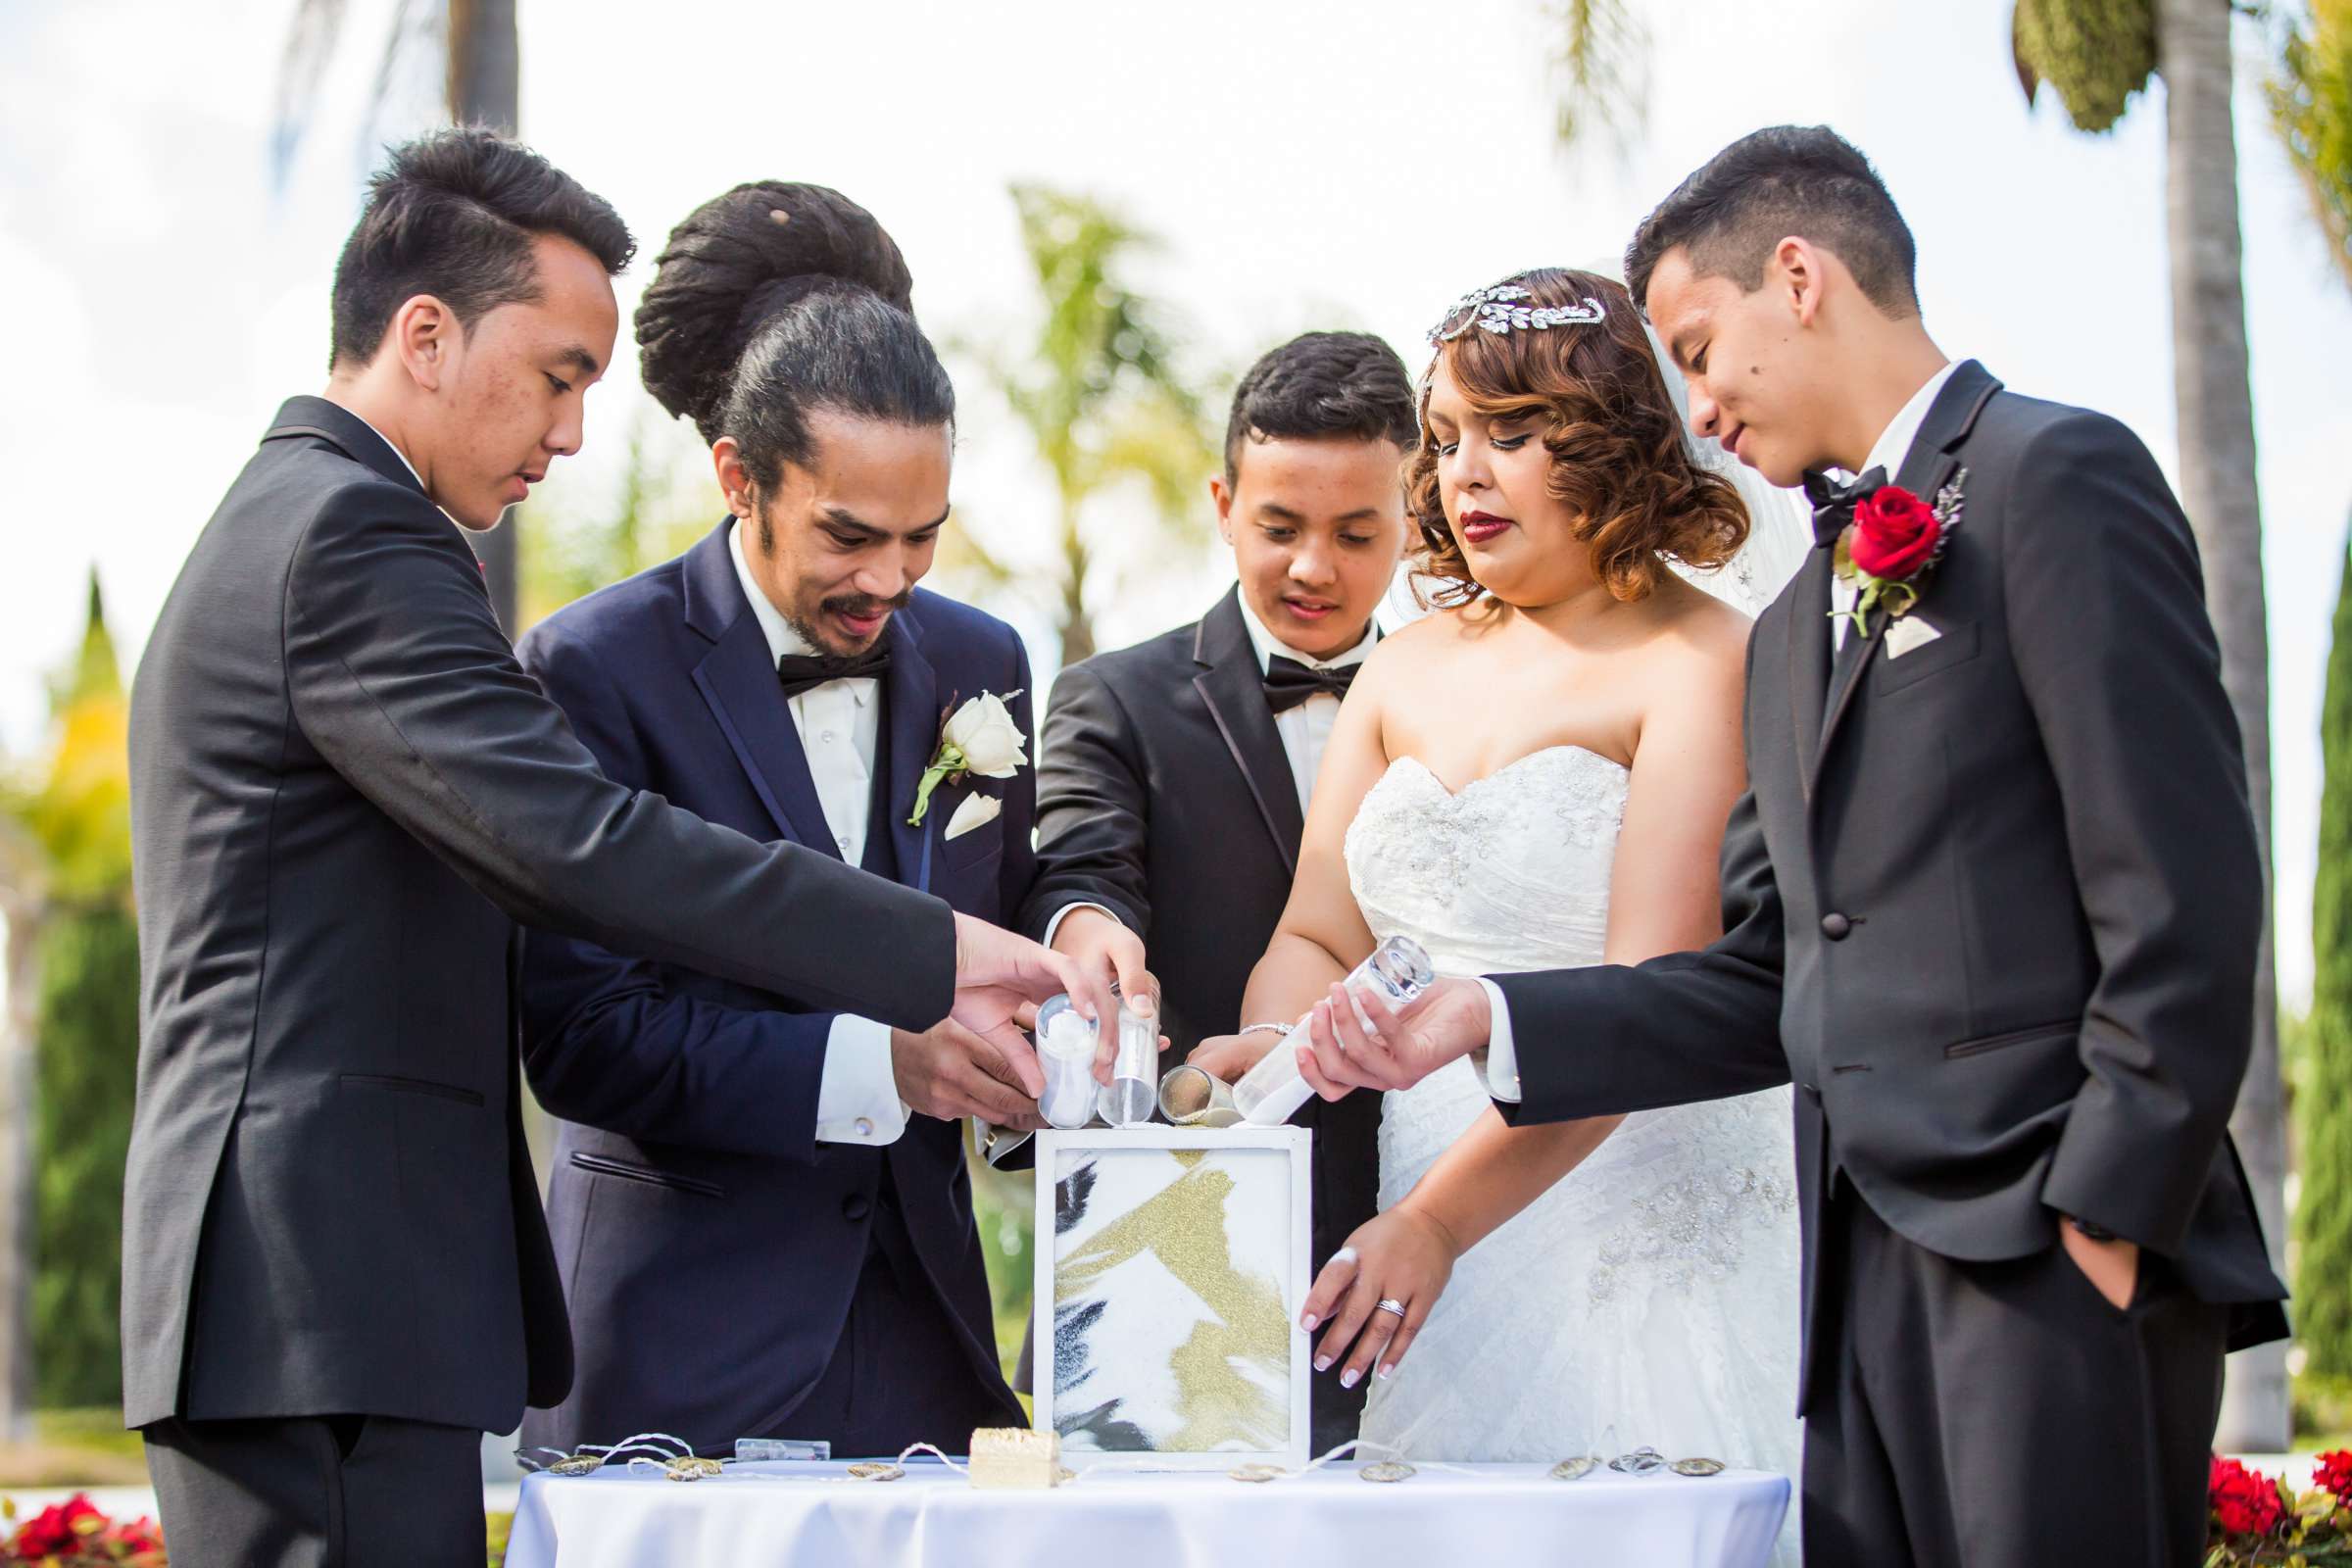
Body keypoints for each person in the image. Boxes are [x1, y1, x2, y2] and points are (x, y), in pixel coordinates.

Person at [1286, 127, 2289, 1568]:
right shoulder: (1801, 613)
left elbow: (2182, 887)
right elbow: (1762, 976)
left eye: (1699, 349)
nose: (1693, 406)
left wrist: (2106, 1220)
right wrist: (1493, 1014)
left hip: (2051, 1253)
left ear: (1800, 279)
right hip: (1851, 1280)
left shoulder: (2056, 476)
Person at [123, 132, 1084, 1564]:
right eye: (561, 375)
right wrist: (927, 955)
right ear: (428, 334)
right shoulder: (349, 541)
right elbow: (579, 844)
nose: (572, 432)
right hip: (314, 1287)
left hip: (341, 1299)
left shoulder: (313, 521)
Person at [1204, 273, 1805, 1542]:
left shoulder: (1701, 658)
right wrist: (1270, 1057)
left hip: (1625, 1219)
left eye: (1513, 436)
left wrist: (1436, 1222)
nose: (1464, 474)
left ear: (1611, 445)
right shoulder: (1402, 667)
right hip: (1418, 1236)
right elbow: (1319, 934)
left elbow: (1650, 1003)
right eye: (1447, 438)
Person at [516, 180, 1041, 1458]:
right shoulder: (594, 665)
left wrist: (1034, 1064)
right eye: (851, 537)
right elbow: (585, 1037)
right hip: (678, 1351)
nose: (890, 582)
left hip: (928, 1348)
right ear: (739, 477)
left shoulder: (985, 661)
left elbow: (1005, 931)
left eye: (923, 538)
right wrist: (883, 1066)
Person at [1022, 330, 1418, 1450]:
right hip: (1190, 1246)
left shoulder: (1474, 695)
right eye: (1280, 527)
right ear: (1223, 501)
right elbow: (1083, 869)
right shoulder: (1116, 697)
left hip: (1436, 1231)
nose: (1313, 569)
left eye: (1357, 533)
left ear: (1412, 518)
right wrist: (1090, 930)